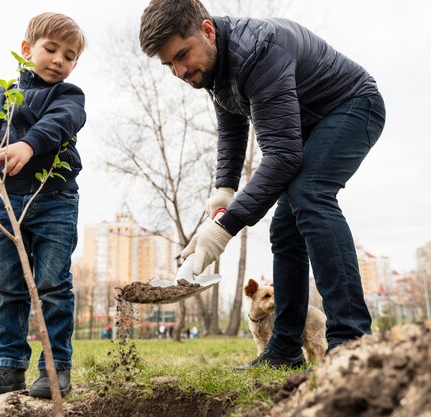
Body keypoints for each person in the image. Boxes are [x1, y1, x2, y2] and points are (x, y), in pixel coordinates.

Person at [140, 0, 386, 369]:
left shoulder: (258, 51)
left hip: (353, 105)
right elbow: (233, 125)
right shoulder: (213, 67)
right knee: (285, 231)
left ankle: (351, 340)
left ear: (207, 31)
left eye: (182, 55)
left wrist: (223, 228)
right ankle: (284, 349)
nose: (179, 70)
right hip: (310, 125)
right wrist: (224, 187)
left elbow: (284, 156)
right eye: (169, 64)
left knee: (310, 194)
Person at [0, 12, 87, 396]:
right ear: (27, 49)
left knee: (52, 285)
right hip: (6, 203)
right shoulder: (4, 95)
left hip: (55, 200)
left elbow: (61, 123)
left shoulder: (68, 95)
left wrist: (28, 145)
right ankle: (10, 365)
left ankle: (54, 369)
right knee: (10, 286)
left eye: (69, 55)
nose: (59, 61)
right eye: (51, 50)